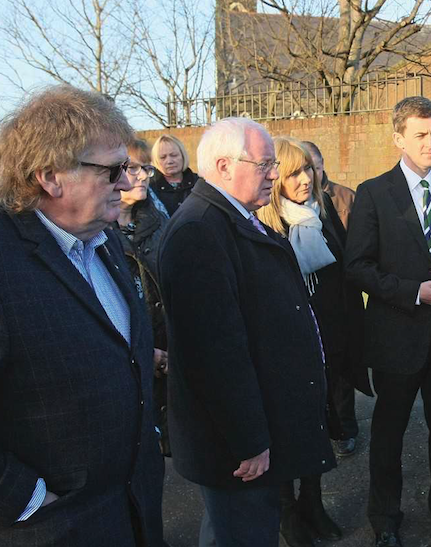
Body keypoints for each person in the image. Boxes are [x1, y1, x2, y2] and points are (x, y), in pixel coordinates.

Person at [0, 85, 164, 545]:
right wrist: (18, 496)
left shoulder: (102, 239)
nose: (127, 183)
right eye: (112, 171)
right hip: (55, 526)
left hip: (134, 512)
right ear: (51, 176)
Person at [158, 118, 335, 547]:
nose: (274, 174)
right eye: (265, 164)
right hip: (235, 451)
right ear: (223, 166)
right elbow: (215, 355)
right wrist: (249, 442)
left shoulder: (230, 217)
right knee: (241, 532)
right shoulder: (200, 230)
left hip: (248, 436)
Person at [345, 96, 431, 547]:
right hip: (397, 335)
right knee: (388, 437)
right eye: (421, 135)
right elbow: (357, 266)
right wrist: (412, 291)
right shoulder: (373, 192)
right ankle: (385, 521)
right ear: (399, 137)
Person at [258, 137, 372, 547]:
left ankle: (313, 503)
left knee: (318, 428)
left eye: (307, 169)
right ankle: (289, 515)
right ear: (276, 181)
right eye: (293, 173)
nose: (305, 179)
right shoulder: (269, 228)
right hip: (288, 351)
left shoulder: (321, 216)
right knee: (289, 432)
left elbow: (341, 280)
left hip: (328, 343)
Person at [109, 138, 171, 457]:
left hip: (168, 350)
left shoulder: (160, 223)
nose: (145, 175)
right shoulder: (98, 234)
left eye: (146, 167)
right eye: (133, 168)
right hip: (132, 355)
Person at [302, 139, 361, 458]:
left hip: (334, 306)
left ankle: (345, 429)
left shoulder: (330, 203)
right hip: (305, 312)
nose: (306, 177)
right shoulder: (276, 215)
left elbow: (347, 252)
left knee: (339, 373)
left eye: (311, 168)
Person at [303, 140, 356, 229]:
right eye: (307, 169)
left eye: (316, 168)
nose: (312, 176)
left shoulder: (348, 198)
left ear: (322, 163)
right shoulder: (286, 203)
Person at [149, 134, 199, 216]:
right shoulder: (150, 188)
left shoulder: (199, 184)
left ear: (183, 155)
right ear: (156, 160)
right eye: (163, 157)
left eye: (174, 155)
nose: (169, 161)